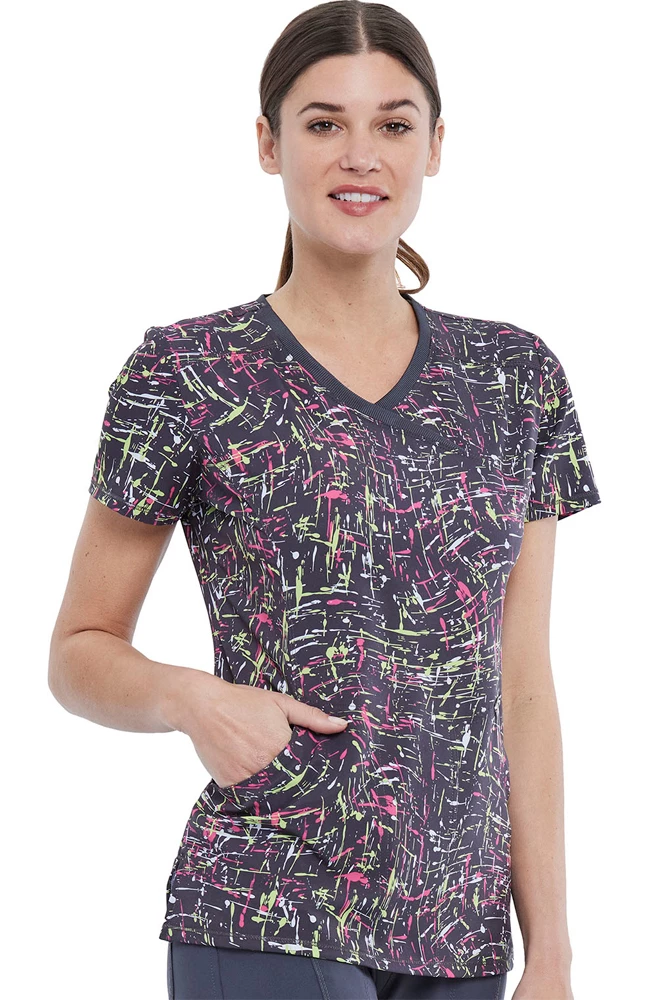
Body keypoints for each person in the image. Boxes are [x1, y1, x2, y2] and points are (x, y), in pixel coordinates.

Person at [49, 3, 601, 998]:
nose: (360, 155)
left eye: (392, 123)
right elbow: (78, 650)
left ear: (435, 145)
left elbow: (520, 681)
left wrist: (551, 948)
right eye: (322, 123)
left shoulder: (515, 378)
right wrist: (189, 699)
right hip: (266, 903)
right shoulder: (187, 372)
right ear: (268, 144)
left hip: (459, 929)